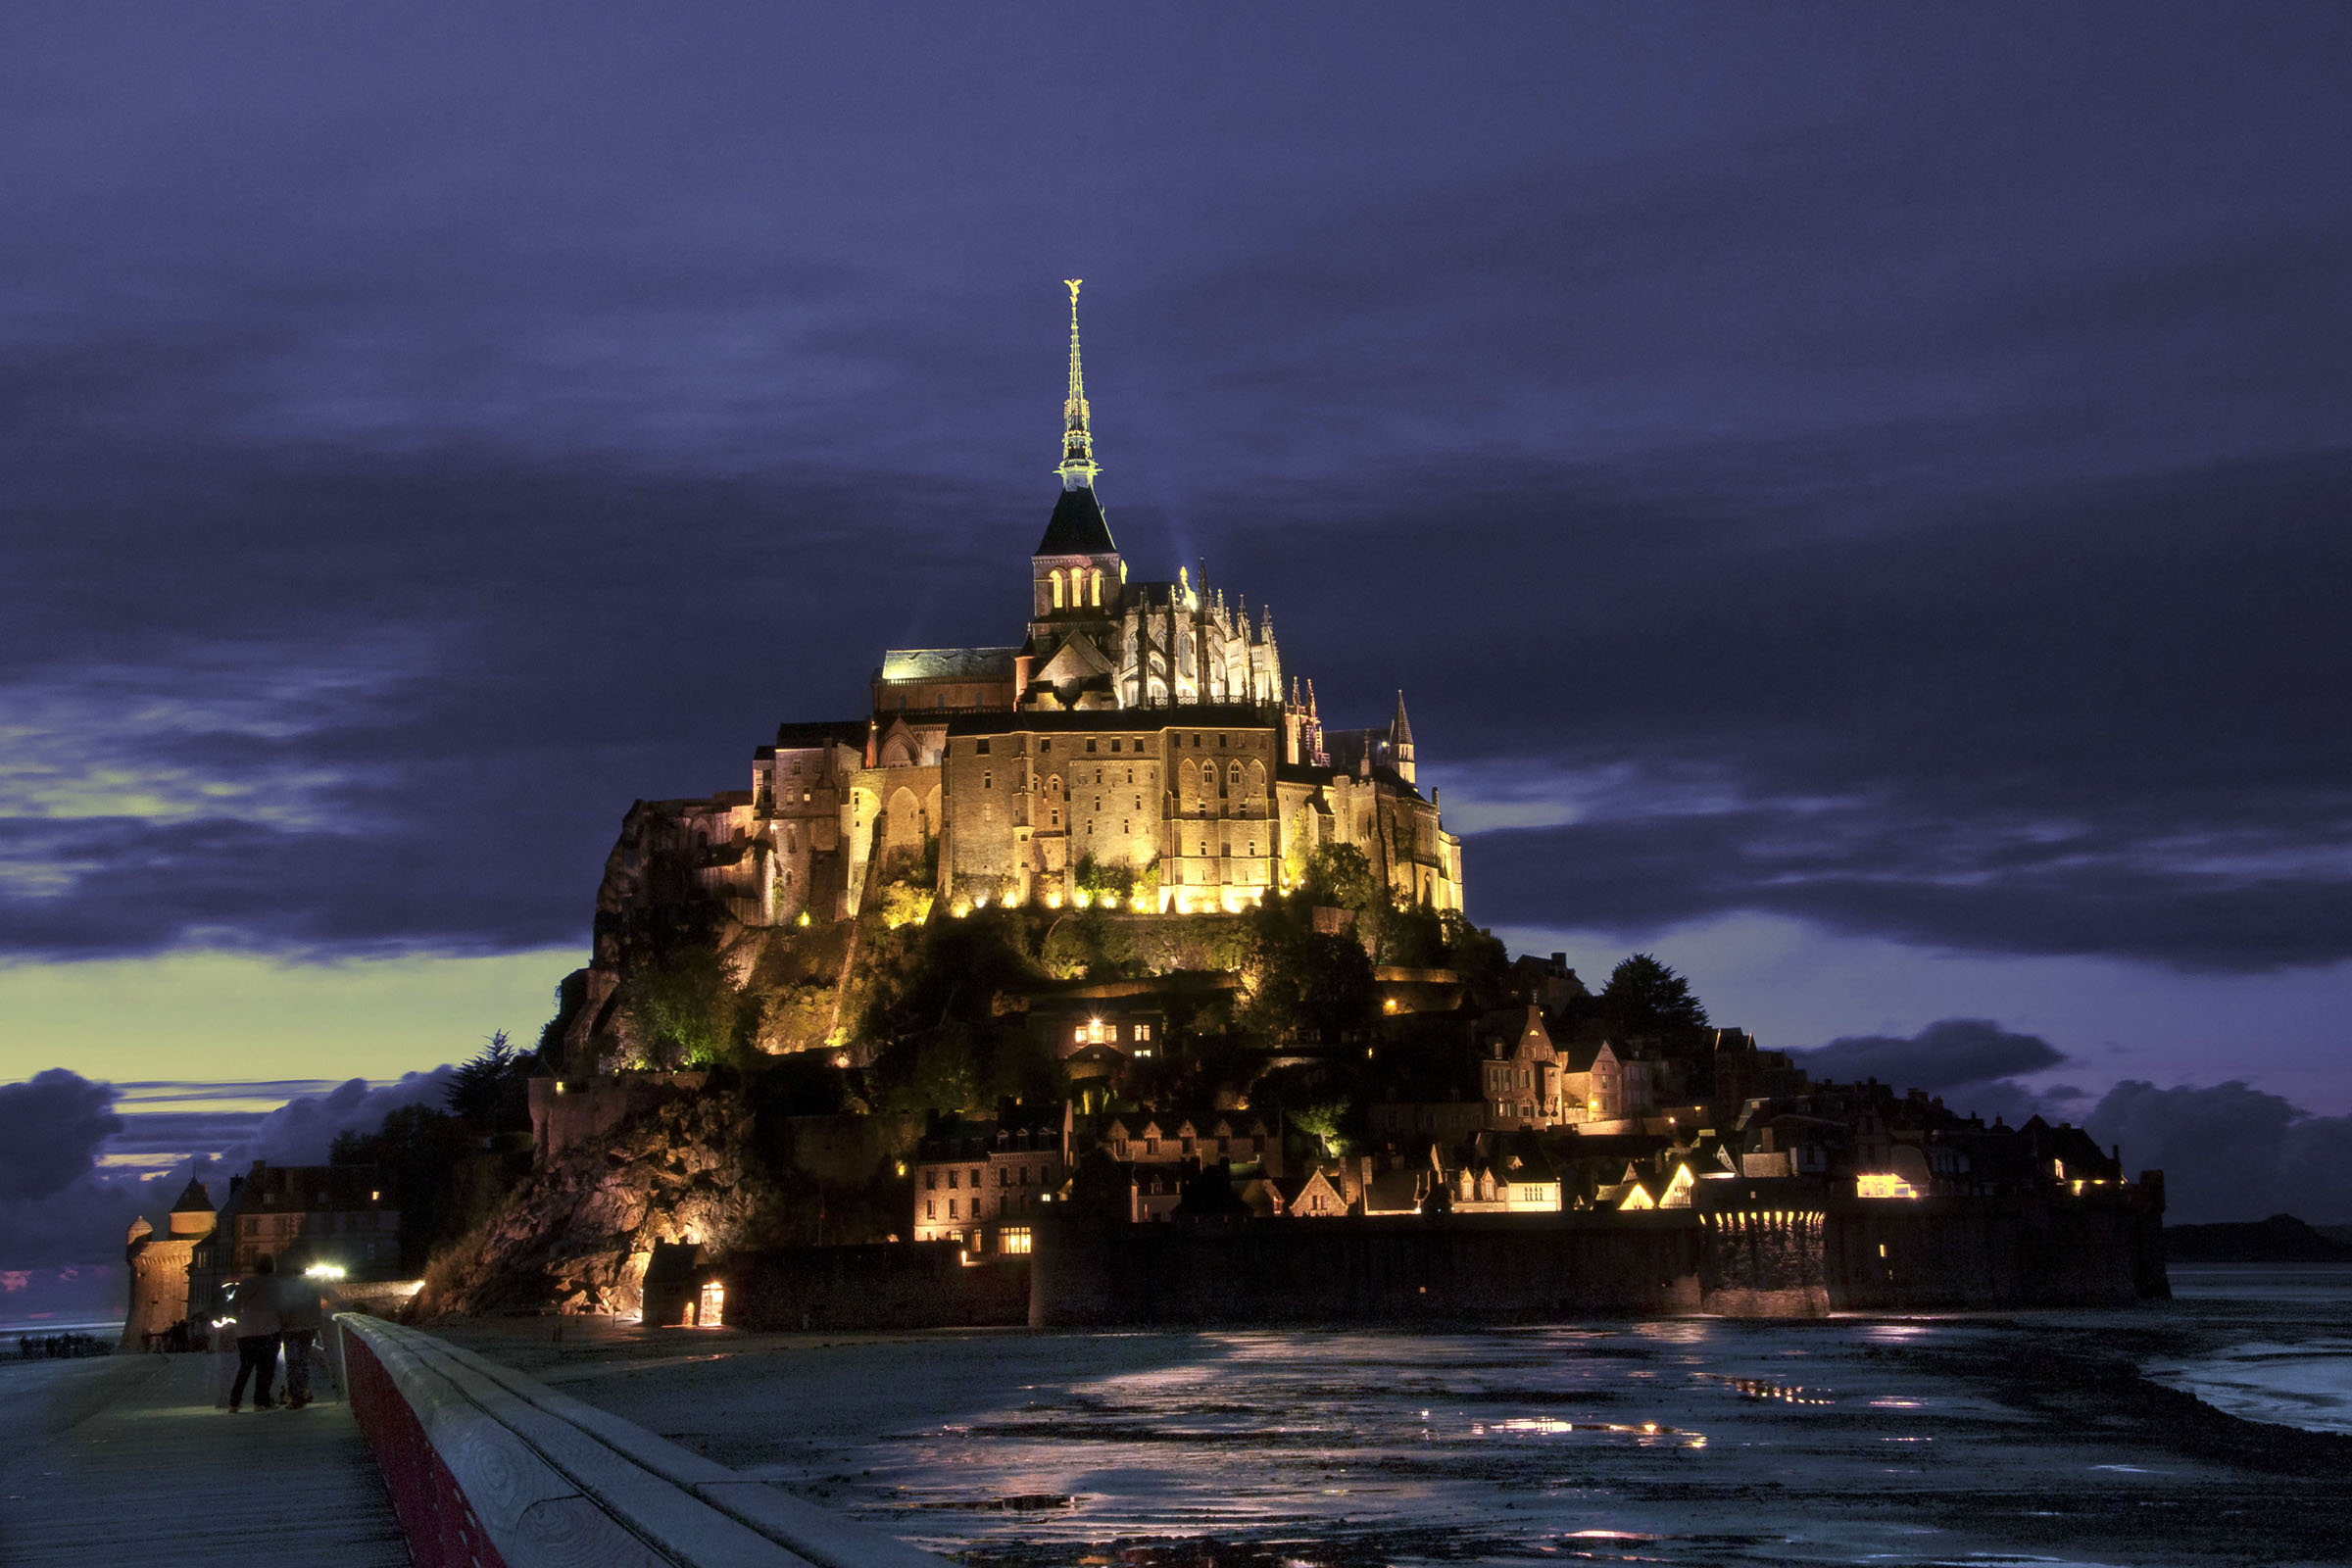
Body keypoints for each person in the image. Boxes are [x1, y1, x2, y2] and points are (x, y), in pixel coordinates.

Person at [226, 1254, 283, 1412]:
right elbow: (282, 1306)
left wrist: (242, 1320)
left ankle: (234, 1403)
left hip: (246, 1331)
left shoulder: (246, 1283)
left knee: (245, 1368)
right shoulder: (276, 1284)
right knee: (266, 1369)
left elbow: (235, 1307)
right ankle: (261, 1402)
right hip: (269, 1330)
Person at [274, 1264, 328, 1409]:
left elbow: (284, 1306)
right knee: (303, 1360)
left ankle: (296, 1396)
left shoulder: (286, 1285)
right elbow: (325, 1299)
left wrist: (281, 1323)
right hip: (310, 1326)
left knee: (292, 1363)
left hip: (291, 1327)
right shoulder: (313, 1283)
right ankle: (304, 1391)